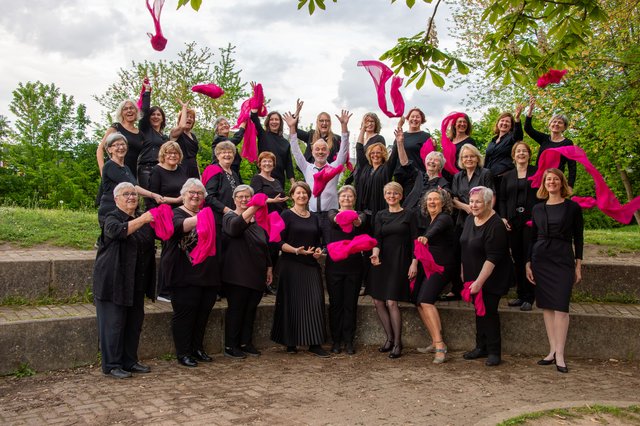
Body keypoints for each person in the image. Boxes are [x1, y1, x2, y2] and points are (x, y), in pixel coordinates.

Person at [93, 182, 156, 378]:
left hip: (136, 282)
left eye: (134, 194)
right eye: (126, 194)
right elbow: (117, 232)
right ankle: (112, 365)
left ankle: (129, 361)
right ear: (116, 199)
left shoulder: (140, 218)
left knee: (133, 323)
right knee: (113, 324)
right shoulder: (110, 217)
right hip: (113, 282)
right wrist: (143, 219)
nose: (131, 197)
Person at [526, 168, 583, 373]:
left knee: (561, 306)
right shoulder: (537, 208)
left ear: (561, 183)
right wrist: (528, 263)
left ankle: (561, 353)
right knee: (547, 306)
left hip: (562, 258)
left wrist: (578, 265)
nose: (551, 182)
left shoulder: (572, 208)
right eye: (548, 179)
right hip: (541, 258)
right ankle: (551, 351)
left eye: (555, 179)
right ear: (544, 183)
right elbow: (532, 238)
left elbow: (579, 238)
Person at [160, 178, 220, 367]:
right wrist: (202, 218)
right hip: (183, 275)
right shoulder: (174, 213)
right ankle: (183, 353)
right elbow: (177, 228)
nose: (195, 196)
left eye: (199, 193)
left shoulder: (205, 213)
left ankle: (197, 349)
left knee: (202, 315)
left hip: (207, 275)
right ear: (183, 195)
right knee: (185, 315)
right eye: (191, 192)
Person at [270, 181, 329, 358]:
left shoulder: (315, 217)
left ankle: (315, 342)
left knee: (315, 301)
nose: (301, 196)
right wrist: (296, 250)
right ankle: (290, 342)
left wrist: (320, 251)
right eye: (298, 193)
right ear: (293, 196)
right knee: (291, 302)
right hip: (290, 264)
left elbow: (321, 242)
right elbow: (277, 241)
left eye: (304, 193)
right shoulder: (286, 215)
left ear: (309, 195)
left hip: (310, 265)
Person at [460, 186, 512, 367]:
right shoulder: (469, 220)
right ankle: (480, 347)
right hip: (472, 275)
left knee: (489, 312)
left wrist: (479, 282)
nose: (473, 205)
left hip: (491, 277)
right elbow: (464, 246)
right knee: (478, 311)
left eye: (478, 202)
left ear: (488, 203)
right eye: (472, 201)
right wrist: (463, 271)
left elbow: (493, 259)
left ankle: (494, 351)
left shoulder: (496, 225)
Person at [284, 109, 351, 244]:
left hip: (331, 214)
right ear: (312, 152)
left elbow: (343, 150)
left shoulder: (334, 167)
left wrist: (344, 127)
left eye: (323, 149)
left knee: (330, 246)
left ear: (328, 152)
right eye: (317, 149)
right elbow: (296, 151)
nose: (320, 152)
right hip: (312, 214)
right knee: (312, 246)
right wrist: (292, 128)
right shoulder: (307, 168)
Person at [222, 185, 273, 359]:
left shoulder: (257, 222)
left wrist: (269, 267)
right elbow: (235, 229)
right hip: (237, 275)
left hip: (256, 274)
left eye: (247, 197)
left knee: (250, 309)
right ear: (234, 199)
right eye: (240, 197)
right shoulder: (229, 217)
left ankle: (245, 342)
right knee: (236, 310)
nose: (243, 200)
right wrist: (255, 207)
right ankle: (231, 345)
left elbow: (264, 245)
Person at [369, 182, 419, 359]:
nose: (392, 196)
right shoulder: (380, 215)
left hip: (400, 260)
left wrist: (414, 263)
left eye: (395, 193)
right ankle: (389, 339)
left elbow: (415, 240)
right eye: (388, 193)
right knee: (377, 301)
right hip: (382, 261)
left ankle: (398, 343)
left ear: (401, 195)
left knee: (391, 302)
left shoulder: (409, 214)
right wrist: (375, 254)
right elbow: (377, 238)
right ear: (384, 195)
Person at [445, 144, 493, 300]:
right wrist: (467, 208)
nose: (469, 159)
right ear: (461, 160)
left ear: (477, 157)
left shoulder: (485, 173)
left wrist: (481, 212)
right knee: (458, 253)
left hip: (482, 218)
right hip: (463, 219)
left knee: (478, 253)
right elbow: (453, 199)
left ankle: (479, 287)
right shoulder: (458, 176)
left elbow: (491, 197)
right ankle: (459, 288)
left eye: (472, 156)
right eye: (465, 157)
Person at [415, 188, 456, 364]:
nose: (431, 202)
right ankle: (434, 340)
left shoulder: (444, 218)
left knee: (426, 301)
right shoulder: (430, 219)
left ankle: (440, 345)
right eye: (429, 199)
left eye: (435, 200)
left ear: (443, 203)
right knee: (418, 302)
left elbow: (436, 230)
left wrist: (426, 237)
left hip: (442, 266)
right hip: (430, 266)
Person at [325, 185, 366, 355]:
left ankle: (349, 340)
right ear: (339, 199)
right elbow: (336, 220)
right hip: (334, 267)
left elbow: (359, 222)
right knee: (336, 305)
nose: (347, 199)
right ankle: (336, 341)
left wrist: (355, 219)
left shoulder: (361, 214)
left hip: (354, 267)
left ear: (354, 199)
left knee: (350, 305)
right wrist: (348, 217)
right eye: (343, 196)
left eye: (350, 197)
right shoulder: (331, 212)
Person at [499, 142, 539, 311]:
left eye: (524, 151)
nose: (521, 154)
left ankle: (530, 297)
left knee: (528, 258)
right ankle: (521, 294)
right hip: (512, 222)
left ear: (529, 155)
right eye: (518, 151)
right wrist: (503, 217)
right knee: (517, 258)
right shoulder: (507, 176)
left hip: (531, 221)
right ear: (513, 155)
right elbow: (501, 199)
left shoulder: (537, 172)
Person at [97, 133, 163, 227]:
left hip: (124, 211)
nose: (121, 147)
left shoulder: (126, 168)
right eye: (116, 145)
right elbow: (133, 187)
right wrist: (153, 195)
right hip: (110, 211)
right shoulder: (110, 166)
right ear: (109, 149)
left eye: (123, 144)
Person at [250, 151, 289, 295]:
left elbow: (282, 200)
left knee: (273, 249)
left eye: (270, 161)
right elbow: (256, 198)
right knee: (263, 249)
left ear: (273, 164)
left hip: (276, 220)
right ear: (259, 164)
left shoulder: (277, 181)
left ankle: (269, 282)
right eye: (264, 161)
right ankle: (260, 282)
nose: (267, 164)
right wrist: (272, 200)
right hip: (263, 219)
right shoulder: (257, 179)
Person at [525, 96, 577, 188]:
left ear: (564, 127)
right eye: (554, 122)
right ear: (550, 125)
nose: (556, 124)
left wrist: (570, 185)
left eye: (560, 122)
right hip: (540, 180)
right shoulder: (544, 139)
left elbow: (572, 166)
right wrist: (530, 111)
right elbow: (528, 129)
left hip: (556, 181)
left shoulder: (567, 143)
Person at [399, 145, 451, 232]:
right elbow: (405, 163)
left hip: (425, 224)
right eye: (430, 159)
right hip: (407, 217)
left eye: (436, 160)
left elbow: (447, 197)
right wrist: (400, 143)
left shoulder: (443, 183)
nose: (432, 162)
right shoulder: (418, 175)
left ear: (440, 166)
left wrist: (443, 194)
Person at [353, 126, 398, 226]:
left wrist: (398, 139)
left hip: (378, 211)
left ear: (383, 154)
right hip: (363, 212)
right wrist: (363, 129)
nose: (375, 155)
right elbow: (359, 148)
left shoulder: (387, 168)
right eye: (372, 153)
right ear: (369, 155)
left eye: (378, 152)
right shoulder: (365, 167)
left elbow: (395, 153)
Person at [204, 141, 242, 253]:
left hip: (232, 218)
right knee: (220, 251)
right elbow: (208, 196)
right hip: (218, 220)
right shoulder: (214, 170)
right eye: (223, 152)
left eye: (230, 152)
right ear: (217, 155)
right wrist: (226, 210)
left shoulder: (234, 173)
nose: (227, 155)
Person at [96, 99, 144, 180]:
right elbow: (100, 149)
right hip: (114, 171)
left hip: (131, 173)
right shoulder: (116, 128)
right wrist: (103, 172)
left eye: (131, 108)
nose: (129, 111)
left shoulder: (141, 134)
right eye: (125, 109)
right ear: (121, 113)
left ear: (136, 111)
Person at [251, 105, 295, 189]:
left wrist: (293, 183)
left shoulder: (285, 143)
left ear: (280, 122)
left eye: (276, 119)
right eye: (271, 119)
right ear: (268, 122)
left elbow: (288, 164)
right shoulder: (263, 135)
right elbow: (254, 118)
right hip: (263, 179)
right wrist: (256, 104)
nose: (274, 122)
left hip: (279, 181)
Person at [138, 81, 169, 194]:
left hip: (161, 169)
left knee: (162, 199)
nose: (155, 117)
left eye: (158, 114)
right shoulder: (145, 130)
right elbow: (144, 111)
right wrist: (147, 92)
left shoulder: (165, 137)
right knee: (151, 199)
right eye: (153, 114)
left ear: (162, 118)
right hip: (146, 169)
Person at [484, 106, 524, 193]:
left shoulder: (511, 138)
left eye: (507, 121)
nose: (504, 123)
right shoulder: (492, 141)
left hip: (504, 178)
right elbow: (487, 159)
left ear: (511, 126)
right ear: (498, 123)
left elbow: (518, 136)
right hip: (490, 179)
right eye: (502, 120)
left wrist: (517, 118)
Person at [291, 99, 342, 164]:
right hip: (311, 172)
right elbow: (295, 131)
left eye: (327, 121)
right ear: (317, 122)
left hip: (329, 173)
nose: (324, 123)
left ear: (330, 123)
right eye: (321, 120)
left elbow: (342, 156)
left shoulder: (337, 139)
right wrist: (297, 113)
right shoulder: (311, 135)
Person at [147, 141, 187, 210]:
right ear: (163, 155)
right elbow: (154, 198)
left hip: (181, 209)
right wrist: (177, 200)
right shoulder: (157, 171)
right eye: (169, 153)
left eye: (175, 153)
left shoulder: (181, 169)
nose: (173, 155)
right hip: (164, 210)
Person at [395, 107, 432, 176]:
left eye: (417, 117)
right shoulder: (401, 135)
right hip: (401, 175)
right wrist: (399, 126)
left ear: (422, 120)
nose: (414, 119)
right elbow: (395, 153)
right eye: (412, 116)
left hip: (418, 175)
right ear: (408, 119)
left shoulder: (426, 137)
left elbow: (429, 158)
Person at [169, 99, 200, 179]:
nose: (189, 119)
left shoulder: (193, 136)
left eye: (191, 117)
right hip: (181, 169)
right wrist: (184, 107)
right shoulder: (175, 133)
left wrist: (199, 176)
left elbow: (195, 158)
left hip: (194, 171)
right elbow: (181, 126)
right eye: (186, 116)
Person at [441, 113, 476, 182]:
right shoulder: (449, 141)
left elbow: (473, 160)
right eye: (460, 122)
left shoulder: (470, 141)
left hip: (461, 178)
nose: (462, 124)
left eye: (465, 122)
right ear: (454, 124)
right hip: (446, 177)